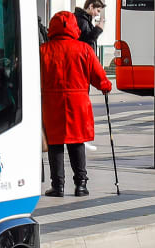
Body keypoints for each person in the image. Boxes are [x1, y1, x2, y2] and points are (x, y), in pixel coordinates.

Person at [40, 10, 113, 197]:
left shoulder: (43, 51)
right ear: (74, 28)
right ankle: (81, 184)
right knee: (76, 142)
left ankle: (58, 185)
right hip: (78, 102)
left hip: (52, 102)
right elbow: (99, 77)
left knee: (55, 144)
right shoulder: (84, 50)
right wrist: (105, 86)